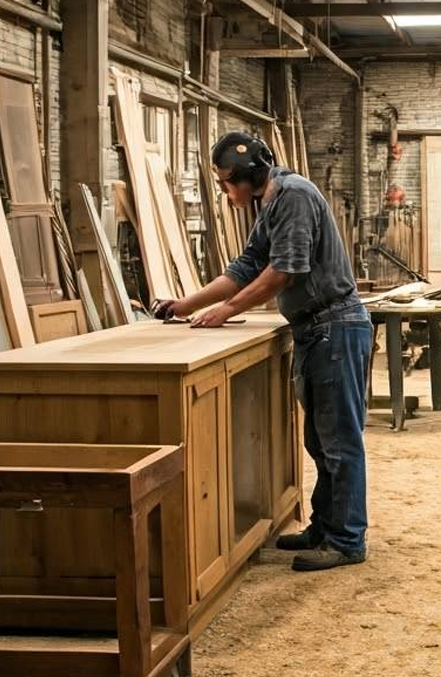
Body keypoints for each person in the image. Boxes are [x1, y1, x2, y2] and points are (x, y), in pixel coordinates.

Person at [154, 132, 371, 571]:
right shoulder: (270, 202)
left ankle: (347, 541)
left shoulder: (291, 196)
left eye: (226, 183)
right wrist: (184, 305)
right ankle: (325, 526)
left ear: (249, 175)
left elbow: (284, 271)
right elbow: (247, 266)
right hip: (317, 330)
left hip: (335, 327)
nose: (225, 192)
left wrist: (227, 310)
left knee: (339, 441)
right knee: (320, 441)